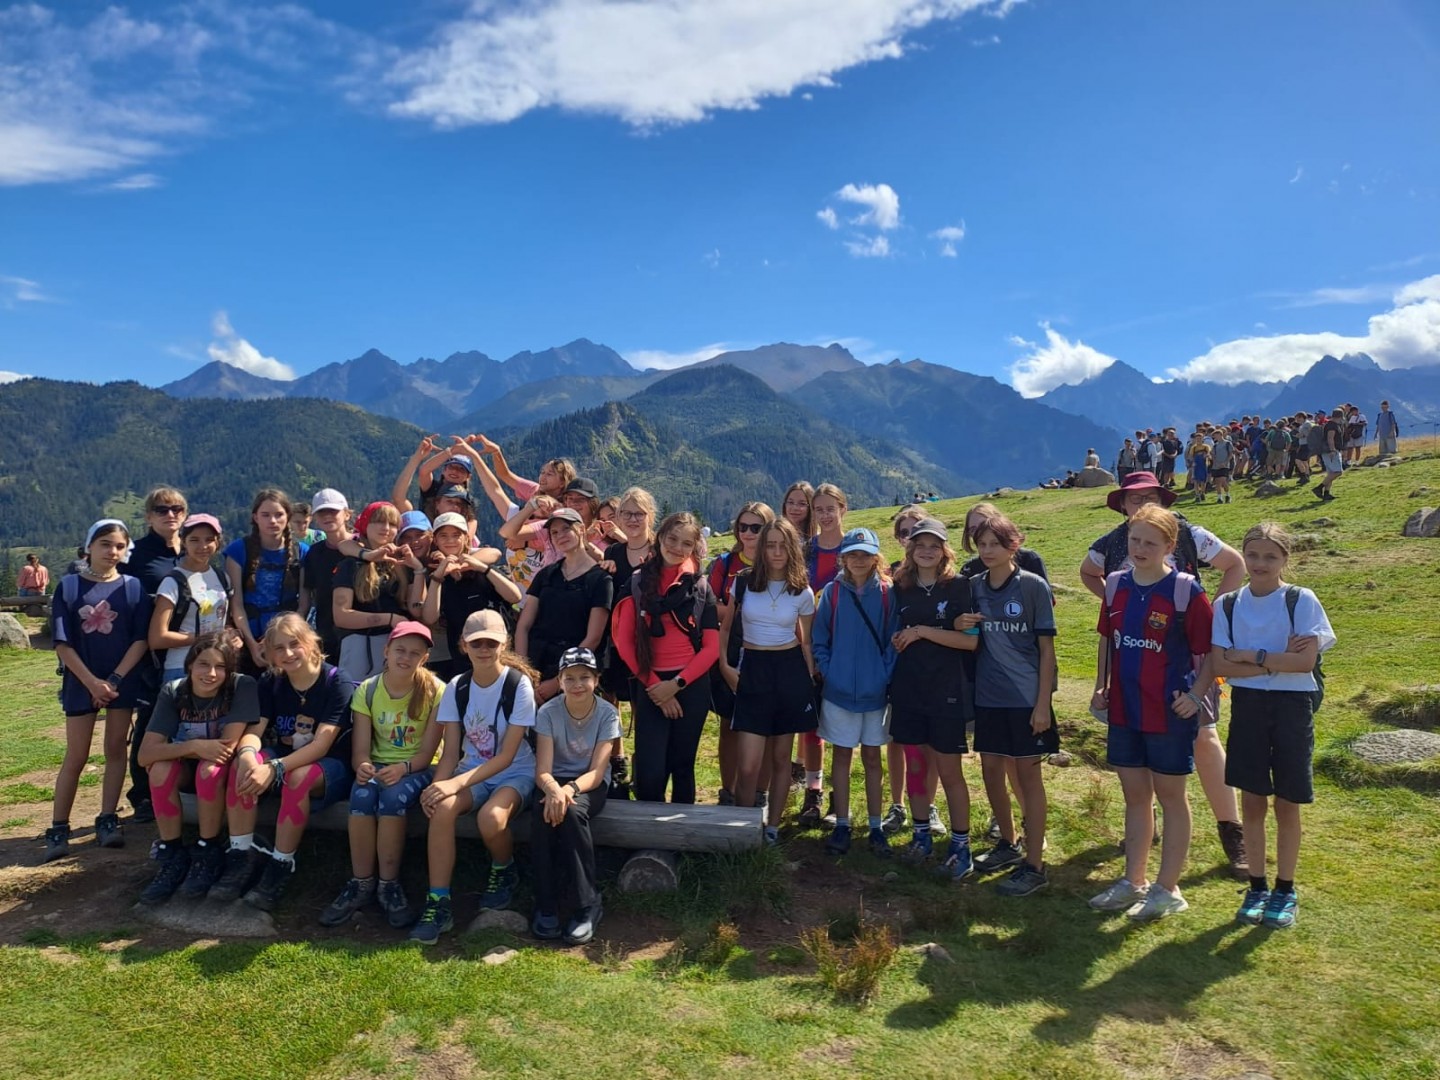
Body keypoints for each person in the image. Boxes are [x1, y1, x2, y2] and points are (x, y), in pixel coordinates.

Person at [1079, 470, 1248, 874]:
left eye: (1149, 496)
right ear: (1122, 505)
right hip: (1134, 664)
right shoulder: (1112, 542)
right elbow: (1086, 571)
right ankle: (1146, 826)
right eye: (1134, 498)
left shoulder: (1189, 534)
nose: (1142, 504)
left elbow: (1235, 564)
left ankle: (1232, 830)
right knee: (1140, 745)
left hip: (1186, 660)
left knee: (1204, 738)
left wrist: (1212, 612)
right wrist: (1116, 604)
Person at [1088, 506, 1214, 921]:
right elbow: (1107, 639)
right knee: (1135, 796)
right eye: (1135, 540)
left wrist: (1196, 696)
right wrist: (1101, 685)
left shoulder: (1185, 591)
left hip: (1168, 711)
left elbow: (1211, 650)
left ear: (1169, 546)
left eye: (1150, 542)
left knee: (1172, 797)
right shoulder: (1115, 585)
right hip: (1125, 708)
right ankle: (1134, 881)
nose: (1140, 549)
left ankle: (1168, 889)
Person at [1211, 523, 1334, 930]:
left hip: (1292, 707)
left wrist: (1251, 655)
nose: (1260, 563)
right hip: (1248, 705)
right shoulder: (1228, 604)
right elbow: (1221, 665)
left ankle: (1285, 889)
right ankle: (1257, 886)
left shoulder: (1301, 600)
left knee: (1287, 801)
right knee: (1252, 800)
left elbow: (1304, 663)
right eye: (1253, 555)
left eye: (1270, 556)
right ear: (1243, 555)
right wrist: (1275, 659)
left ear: (1285, 559)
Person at [212, 613, 357, 911]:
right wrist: (248, 755)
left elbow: (321, 744)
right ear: (270, 653)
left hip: (331, 765)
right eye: (279, 648)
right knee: (242, 766)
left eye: (295, 644)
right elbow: (255, 730)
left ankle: (281, 864)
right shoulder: (270, 681)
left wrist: (274, 768)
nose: (288, 653)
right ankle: (241, 855)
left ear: (311, 642)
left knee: (297, 778)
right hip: (283, 756)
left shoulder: (336, 681)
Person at [411, 610, 540, 944]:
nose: (484, 649)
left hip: (515, 772)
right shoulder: (458, 686)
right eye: (476, 643)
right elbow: (450, 753)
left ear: (504, 644)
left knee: (491, 818)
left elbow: (507, 756)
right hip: (471, 773)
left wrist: (454, 783)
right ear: (463, 645)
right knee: (441, 808)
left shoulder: (518, 685)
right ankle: (438, 901)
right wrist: (437, 787)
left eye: (491, 643)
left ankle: (504, 868)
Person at [320, 622, 444, 930]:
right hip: (380, 764)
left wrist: (403, 769)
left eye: (415, 653)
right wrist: (363, 765)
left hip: (419, 767)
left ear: (425, 658)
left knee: (392, 797)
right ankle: (361, 881)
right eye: (400, 650)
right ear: (386, 651)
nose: (406, 657)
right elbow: (361, 751)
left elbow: (427, 754)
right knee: (361, 794)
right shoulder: (368, 690)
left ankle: (389, 884)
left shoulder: (436, 691)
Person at [44, 520, 154, 861]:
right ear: (89, 546)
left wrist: (114, 680)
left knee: (116, 750)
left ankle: (108, 817)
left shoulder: (133, 588)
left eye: (120, 546)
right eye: (105, 544)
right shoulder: (69, 587)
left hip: (122, 682)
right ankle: (59, 825)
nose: (112, 552)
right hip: (81, 681)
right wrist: (93, 682)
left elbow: (140, 639)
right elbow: (62, 642)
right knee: (76, 755)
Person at [968, 512, 1055, 896]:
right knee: (990, 770)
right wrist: (959, 625)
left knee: (1028, 776)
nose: (988, 551)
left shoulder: (1033, 587)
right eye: (982, 544)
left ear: (1013, 545)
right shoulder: (973, 587)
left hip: (1026, 699)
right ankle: (1008, 842)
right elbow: (969, 636)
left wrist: (1042, 704)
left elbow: (1047, 651)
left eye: (996, 544)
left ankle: (1035, 865)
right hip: (988, 698)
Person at [887, 518, 980, 878]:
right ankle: (921, 835)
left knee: (949, 769)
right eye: (920, 544)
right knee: (915, 766)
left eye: (934, 545)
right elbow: (893, 630)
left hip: (947, 691)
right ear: (910, 548)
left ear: (944, 551)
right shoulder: (900, 586)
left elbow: (970, 641)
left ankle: (961, 846)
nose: (926, 551)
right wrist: (902, 636)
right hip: (909, 689)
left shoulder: (959, 586)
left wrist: (922, 631)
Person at [136, 631, 257, 904]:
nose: (211, 673)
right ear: (190, 664)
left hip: (221, 769)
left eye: (220, 666)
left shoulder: (241, 685)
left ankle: (207, 849)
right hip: (189, 763)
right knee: (159, 770)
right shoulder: (173, 691)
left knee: (209, 770)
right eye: (204, 664)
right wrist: (193, 747)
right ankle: (172, 854)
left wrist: (197, 750)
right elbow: (145, 755)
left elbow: (226, 748)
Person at [720, 519, 818, 845]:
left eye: (783, 546)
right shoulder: (744, 583)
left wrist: (809, 679)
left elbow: (806, 642)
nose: (776, 552)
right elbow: (726, 628)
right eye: (771, 545)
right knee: (748, 765)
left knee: (780, 759)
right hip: (753, 668)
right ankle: (742, 831)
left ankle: (772, 828)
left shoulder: (802, 591)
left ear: (793, 550)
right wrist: (724, 665)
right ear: (762, 549)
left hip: (789, 671)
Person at [611, 512, 719, 804]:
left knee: (683, 766)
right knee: (650, 771)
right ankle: (649, 829)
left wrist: (676, 685)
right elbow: (624, 642)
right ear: (659, 537)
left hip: (690, 685)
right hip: (650, 683)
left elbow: (711, 648)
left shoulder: (700, 587)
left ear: (694, 548)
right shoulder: (637, 583)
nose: (677, 548)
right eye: (672, 539)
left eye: (686, 543)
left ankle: (680, 829)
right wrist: (657, 687)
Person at [812, 528, 896, 857]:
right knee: (842, 756)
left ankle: (875, 826)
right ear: (843, 558)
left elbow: (893, 640)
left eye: (865, 554)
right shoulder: (832, 593)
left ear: (875, 557)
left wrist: (883, 675)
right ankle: (842, 823)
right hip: (839, 692)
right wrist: (830, 672)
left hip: (875, 694)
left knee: (873, 758)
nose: (859, 560)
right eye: (853, 554)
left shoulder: (887, 593)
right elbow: (820, 638)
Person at [531, 646, 620, 945]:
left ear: (596, 679)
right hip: (553, 781)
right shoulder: (547, 712)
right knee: (541, 813)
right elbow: (542, 770)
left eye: (585, 677)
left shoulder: (607, 713)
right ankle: (545, 902)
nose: (577, 684)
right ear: (559, 681)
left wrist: (568, 791)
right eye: (570, 678)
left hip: (589, 784)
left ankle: (587, 903)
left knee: (571, 811)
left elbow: (597, 771)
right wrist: (554, 789)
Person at [119, 486, 188, 821]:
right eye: (161, 510)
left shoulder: (191, 549)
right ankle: (143, 794)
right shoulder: (134, 555)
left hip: (187, 650)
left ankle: (176, 786)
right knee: (150, 721)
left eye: (177, 509)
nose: (170, 515)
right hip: (148, 651)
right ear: (148, 516)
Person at [707, 501, 775, 806]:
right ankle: (729, 791)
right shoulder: (724, 563)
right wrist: (739, 611)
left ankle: (760, 793)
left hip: (769, 651)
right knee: (729, 725)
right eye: (743, 527)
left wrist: (733, 609)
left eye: (756, 528)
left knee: (768, 727)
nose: (748, 533)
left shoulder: (778, 561)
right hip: (731, 650)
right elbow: (710, 606)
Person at [514, 508, 613, 705]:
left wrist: (559, 681)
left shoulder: (601, 580)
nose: (560, 536)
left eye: (566, 528)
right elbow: (523, 626)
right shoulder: (545, 575)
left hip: (577, 677)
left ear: (581, 529)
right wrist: (524, 673)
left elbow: (593, 638)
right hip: (535, 668)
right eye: (554, 532)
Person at [881, 505, 936, 834]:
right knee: (896, 738)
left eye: (917, 531)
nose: (911, 538)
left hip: (934, 670)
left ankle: (929, 806)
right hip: (898, 668)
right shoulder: (892, 575)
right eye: (905, 533)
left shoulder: (942, 575)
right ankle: (898, 804)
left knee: (931, 743)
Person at [420, 511, 523, 681]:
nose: (450, 540)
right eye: (443, 535)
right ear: (435, 541)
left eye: (456, 535)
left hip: (500, 651)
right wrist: (438, 576)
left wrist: (483, 568)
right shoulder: (436, 577)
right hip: (463, 656)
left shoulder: (482, 569)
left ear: (466, 538)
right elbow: (430, 617)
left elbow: (515, 597)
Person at [799, 482, 848, 826]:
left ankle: (839, 796)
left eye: (831, 508)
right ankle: (813, 791)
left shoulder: (855, 548)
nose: (825, 515)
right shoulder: (806, 550)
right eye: (819, 510)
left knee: (843, 725)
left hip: (846, 646)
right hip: (810, 644)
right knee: (812, 725)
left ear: (843, 509)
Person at [333, 502, 424, 682]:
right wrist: (390, 619)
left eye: (392, 524)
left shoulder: (402, 564)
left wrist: (419, 570)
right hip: (360, 649)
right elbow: (341, 616)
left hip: (398, 648)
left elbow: (416, 609)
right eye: (379, 522)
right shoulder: (350, 564)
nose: (386, 528)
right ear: (365, 525)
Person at [225, 488, 309, 675]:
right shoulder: (238, 551)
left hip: (289, 641)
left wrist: (283, 637)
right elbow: (236, 604)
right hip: (249, 639)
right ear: (255, 517)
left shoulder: (301, 552)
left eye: (279, 514)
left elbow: (304, 603)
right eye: (265, 515)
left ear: (288, 516)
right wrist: (253, 645)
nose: (272, 520)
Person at [149, 514, 231, 685]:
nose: (203, 546)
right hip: (181, 667)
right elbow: (157, 638)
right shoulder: (173, 582)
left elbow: (222, 621)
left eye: (209, 539)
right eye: (194, 540)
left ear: (217, 542)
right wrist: (203, 639)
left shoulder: (222, 577)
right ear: (183, 541)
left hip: (217, 666)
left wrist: (231, 635)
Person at [599, 487, 657, 714]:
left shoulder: (660, 552)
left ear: (650, 516)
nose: (633, 519)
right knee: (610, 696)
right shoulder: (612, 552)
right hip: (617, 637)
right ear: (619, 517)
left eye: (639, 514)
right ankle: (613, 740)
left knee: (642, 702)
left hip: (651, 638)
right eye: (627, 514)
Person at [301, 488, 354, 663]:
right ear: (315, 518)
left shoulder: (363, 547)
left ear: (347, 514)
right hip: (327, 637)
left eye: (333, 511)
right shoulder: (314, 553)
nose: (327, 516)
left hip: (359, 636)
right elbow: (306, 598)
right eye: (321, 512)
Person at [1313, 408, 1345, 502]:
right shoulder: (1332, 425)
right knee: (1338, 472)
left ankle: (1326, 493)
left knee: (1330, 473)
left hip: (1326, 451)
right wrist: (1332, 450)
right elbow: (1330, 438)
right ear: (1340, 416)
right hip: (1331, 451)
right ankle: (1319, 488)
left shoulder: (1330, 424)